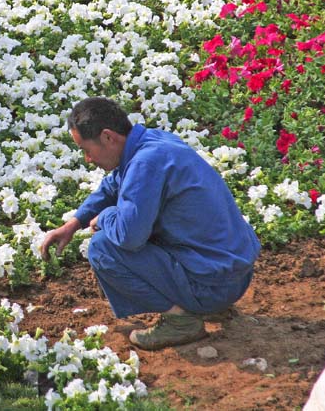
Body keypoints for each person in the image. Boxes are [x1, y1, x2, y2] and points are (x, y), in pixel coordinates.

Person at [41, 97, 261, 350]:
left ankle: (181, 321)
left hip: (213, 286)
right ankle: (205, 304)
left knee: (103, 248)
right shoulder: (153, 142)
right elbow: (113, 185)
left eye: (86, 149)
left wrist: (105, 217)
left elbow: (130, 236)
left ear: (108, 137)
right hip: (234, 275)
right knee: (132, 228)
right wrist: (74, 223)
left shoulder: (145, 164)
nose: (87, 159)